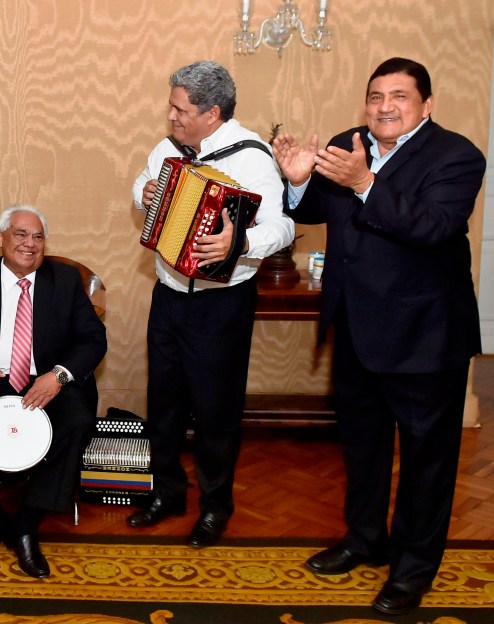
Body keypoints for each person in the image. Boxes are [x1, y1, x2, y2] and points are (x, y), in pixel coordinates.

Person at [273, 57, 486, 616]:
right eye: (375, 96)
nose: (384, 107)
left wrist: (365, 182)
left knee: (427, 461)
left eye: (399, 96)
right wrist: (297, 185)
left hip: (425, 338)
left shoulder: (458, 155)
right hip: (357, 329)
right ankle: (364, 540)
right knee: (363, 450)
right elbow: (323, 205)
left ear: (427, 105)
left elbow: (433, 226)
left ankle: (412, 570)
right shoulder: (350, 143)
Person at [129, 61, 294, 546]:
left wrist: (237, 243)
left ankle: (216, 505)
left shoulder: (251, 157)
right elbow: (140, 189)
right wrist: (147, 192)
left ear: (212, 112)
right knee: (164, 405)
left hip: (222, 306)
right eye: (171, 106)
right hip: (168, 297)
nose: (171, 116)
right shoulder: (168, 148)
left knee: (216, 412)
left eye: (180, 109)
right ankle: (167, 495)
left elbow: (282, 227)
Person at [0, 204, 107, 578]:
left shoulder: (64, 281)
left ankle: (27, 523)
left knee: (76, 419)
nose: (30, 243)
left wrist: (59, 375)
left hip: (45, 382)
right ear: (0, 238)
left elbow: (94, 340)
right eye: (20, 234)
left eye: (38, 236)